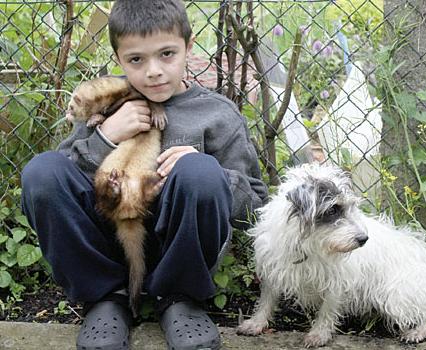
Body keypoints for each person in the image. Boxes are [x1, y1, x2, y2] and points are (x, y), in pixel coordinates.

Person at [20, 0, 268, 349]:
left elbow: (255, 205)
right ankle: (105, 296)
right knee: (40, 171)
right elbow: (57, 183)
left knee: (199, 171)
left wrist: (207, 170)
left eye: (167, 54)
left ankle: (180, 298)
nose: (153, 71)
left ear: (189, 47)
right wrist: (106, 138)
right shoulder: (110, 102)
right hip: (110, 240)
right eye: (136, 59)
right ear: (119, 60)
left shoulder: (216, 114)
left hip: (181, 247)